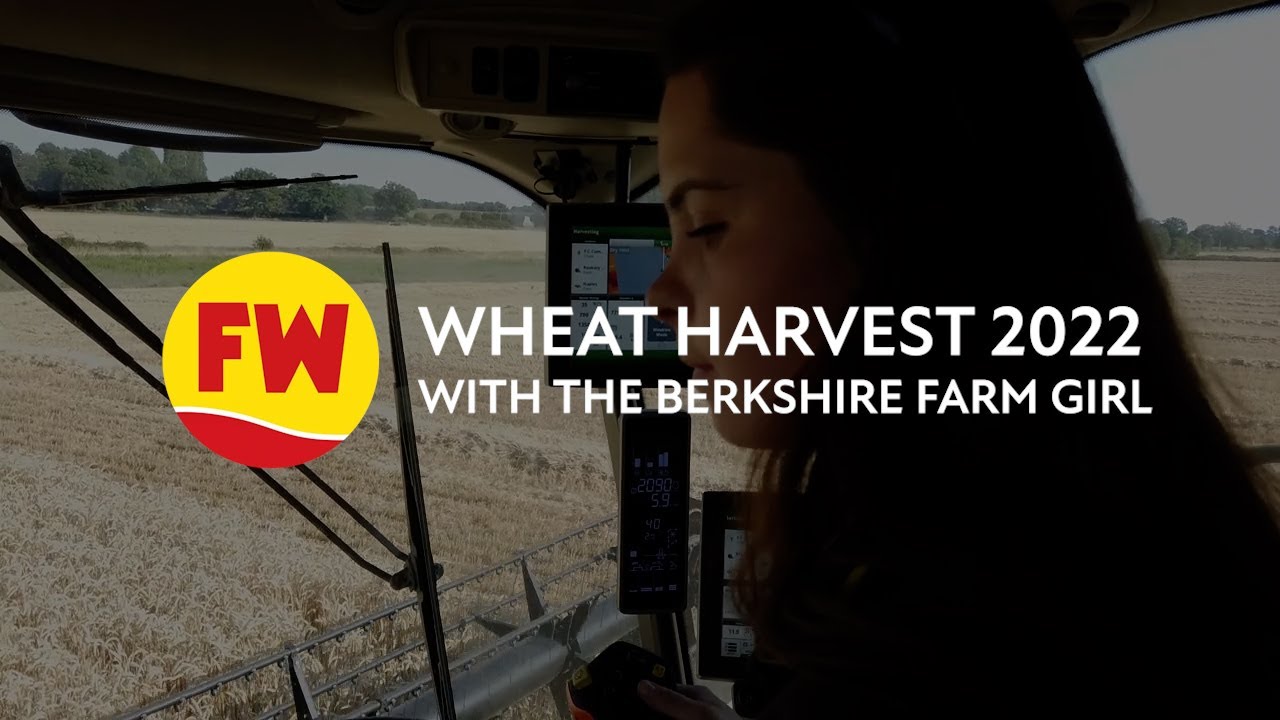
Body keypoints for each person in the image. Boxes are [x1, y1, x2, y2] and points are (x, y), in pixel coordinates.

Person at [637, 0, 1280, 716]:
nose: (661, 294)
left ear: (901, 219)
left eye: (705, 225)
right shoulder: (1118, 556)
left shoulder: (920, 654)